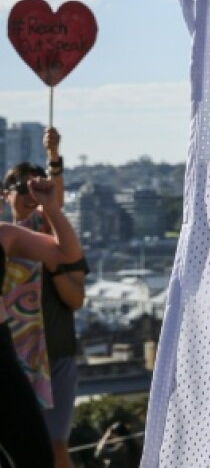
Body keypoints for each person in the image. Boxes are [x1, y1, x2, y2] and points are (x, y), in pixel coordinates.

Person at [3, 128, 89, 468]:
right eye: (21, 187)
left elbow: (75, 297)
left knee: (54, 448)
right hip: (13, 357)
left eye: (35, 187)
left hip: (56, 354)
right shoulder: (7, 239)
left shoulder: (48, 240)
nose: (29, 194)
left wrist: (54, 158)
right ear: (5, 194)